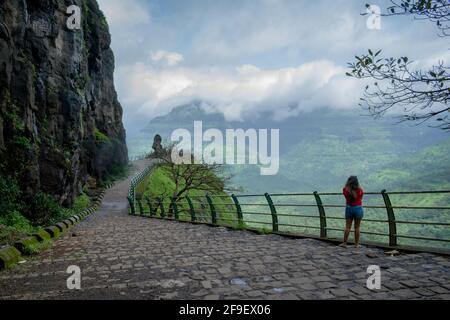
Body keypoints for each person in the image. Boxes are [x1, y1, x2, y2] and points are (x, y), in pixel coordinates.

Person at [340, 176, 364, 248]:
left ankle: (344, 243)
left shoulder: (345, 190)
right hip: (358, 209)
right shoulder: (360, 190)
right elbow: (360, 198)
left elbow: (346, 196)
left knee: (347, 227)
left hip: (349, 208)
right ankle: (356, 244)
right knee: (357, 227)